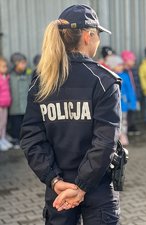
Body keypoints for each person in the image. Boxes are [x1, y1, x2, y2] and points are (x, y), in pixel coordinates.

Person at [20, 5, 121, 225]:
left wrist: (54, 180)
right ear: (88, 36)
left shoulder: (42, 82)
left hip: (59, 190)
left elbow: (31, 139)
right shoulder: (103, 81)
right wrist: (81, 187)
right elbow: (104, 143)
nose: (98, 41)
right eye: (98, 36)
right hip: (98, 189)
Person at [106, 55, 136, 146]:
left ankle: (123, 136)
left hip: (123, 105)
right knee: (112, 122)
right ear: (113, 66)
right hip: (111, 106)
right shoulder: (108, 76)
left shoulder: (125, 76)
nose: (121, 67)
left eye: (121, 65)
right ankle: (114, 137)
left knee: (123, 121)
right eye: (119, 65)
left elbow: (130, 90)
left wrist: (132, 102)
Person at [8, 53, 32, 147]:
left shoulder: (29, 73)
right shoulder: (10, 75)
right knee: (15, 124)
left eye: (24, 63)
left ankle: (26, 139)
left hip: (26, 105)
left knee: (26, 124)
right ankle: (16, 140)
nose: (24, 65)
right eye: (21, 63)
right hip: (15, 106)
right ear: (15, 64)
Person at [121, 50, 142, 136]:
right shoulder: (123, 72)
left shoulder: (134, 70)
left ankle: (132, 125)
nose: (133, 62)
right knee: (126, 113)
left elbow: (137, 83)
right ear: (126, 60)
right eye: (131, 60)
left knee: (133, 111)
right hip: (126, 96)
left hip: (134, 95)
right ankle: (127, 128)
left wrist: (138, 94)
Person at [0, 57, 13, 151]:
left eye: (6, 66)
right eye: (3, 67)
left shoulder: (6, 77)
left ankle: (3, 138)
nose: (6, 68)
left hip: (5, 104)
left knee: (4, 123)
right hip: (0, 105)